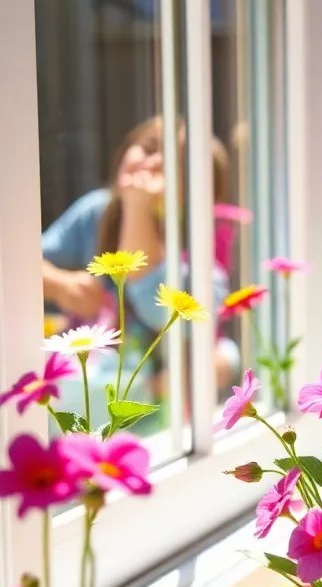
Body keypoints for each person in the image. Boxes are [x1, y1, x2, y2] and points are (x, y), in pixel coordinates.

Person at [42, 117, 240, 389]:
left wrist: (138, 207)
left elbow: (157, 310)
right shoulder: (95, 215)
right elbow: (20, 265)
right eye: (148, 148)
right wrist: (61, 285)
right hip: (85, 390)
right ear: (125, 149)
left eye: (174, 166)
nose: (154, 163)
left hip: (153, 416)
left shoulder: (199, 261)